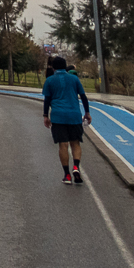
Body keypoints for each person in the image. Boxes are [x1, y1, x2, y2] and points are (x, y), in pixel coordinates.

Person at [43, 56, 92, 185]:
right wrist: (87, 113)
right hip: (74, 115)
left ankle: (67, 175)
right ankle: (76, 167)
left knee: (63, 145)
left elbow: (47, 100)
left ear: (53, 67)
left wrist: (45, 116)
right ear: (65, 67)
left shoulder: (49, 80)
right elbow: (83, 97)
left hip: (58, 116)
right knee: (75, 143)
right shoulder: (74, 79)